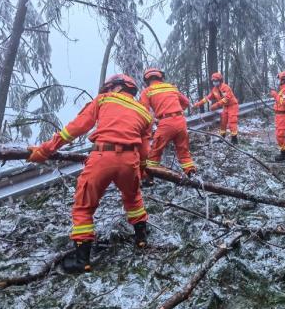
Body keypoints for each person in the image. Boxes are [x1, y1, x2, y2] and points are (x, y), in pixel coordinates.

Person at [28, 74, 153, 273]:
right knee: (133, 197)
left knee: (84, 206)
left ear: (116, 87)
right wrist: (142, 168)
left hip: (103, 155)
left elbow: (76, 128)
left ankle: (82, 259)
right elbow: (145, 148)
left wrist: (45, 150)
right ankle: (141, 239)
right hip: (131, 159)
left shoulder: (104, 99)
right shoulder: (144, 112)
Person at [139, 68, 195, 181]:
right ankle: (191, 173)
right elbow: (186, 102)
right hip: (181, 120)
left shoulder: (147, 91)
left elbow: (144, 112)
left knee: (155, 151)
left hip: (165, 122)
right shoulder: (171, 87)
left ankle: (148, 177)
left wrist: (149, 127)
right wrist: (177, 111)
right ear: (161, 77)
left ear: (147, 80)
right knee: (183, 149)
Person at [193, 72, 240, 143]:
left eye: (216, 81)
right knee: (223, 122)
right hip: (225, 107)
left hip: (232, 105)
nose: (214, 82)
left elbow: (226, 99)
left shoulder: (225, 87)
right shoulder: (214, 90)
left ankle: (234, 139)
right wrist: (198, 104)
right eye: (213, 81)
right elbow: (207, 98)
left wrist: (216, 105)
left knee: (232, 122)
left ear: (220, 80)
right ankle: (222, 138)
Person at [270, 71, 285, 162]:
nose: (278, 81)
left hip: (284, 116)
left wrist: (275, 95)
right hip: (280, 115)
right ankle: (283, 152)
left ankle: (284, 154)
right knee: (278, 135)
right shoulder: (282, 90)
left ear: (284, 80)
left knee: (280, 135)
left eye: (280, 79)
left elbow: (284, 102)